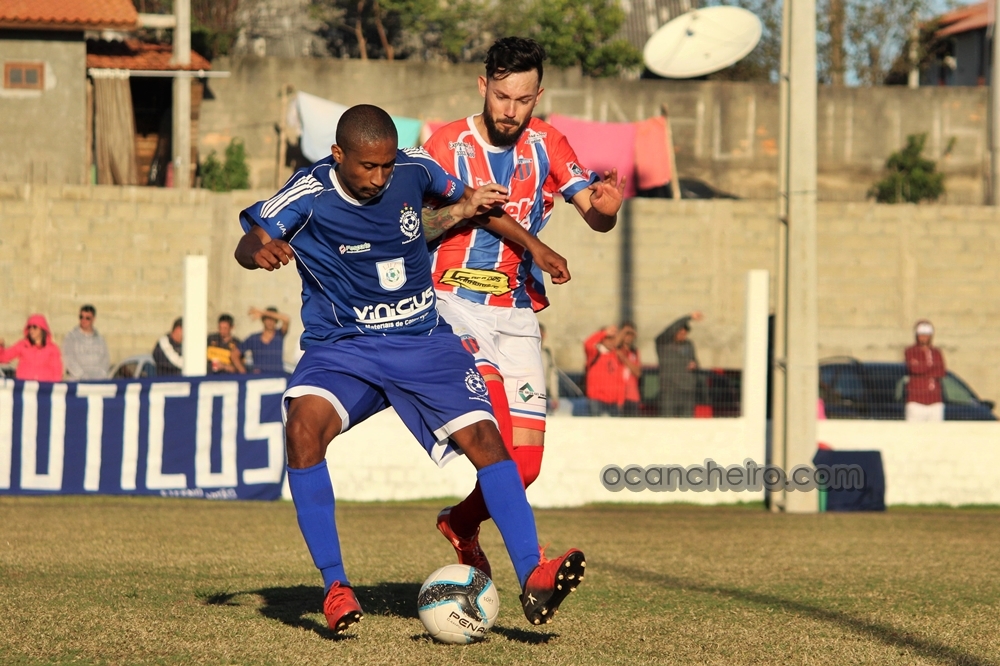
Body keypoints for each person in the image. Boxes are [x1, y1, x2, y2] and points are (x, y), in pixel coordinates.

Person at [233, 104, 585, 634]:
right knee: (302, 429)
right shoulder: (308, 192)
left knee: (488, 440)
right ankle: (335, 586)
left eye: (386, 165)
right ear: (337, 154)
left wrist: (534, 245)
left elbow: (472, 206)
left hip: (423, 340)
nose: (379, 178)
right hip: (345, 347)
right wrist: (259, 250)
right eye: (367, 167)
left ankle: (534, 574)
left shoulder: (415, 168)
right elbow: (250, 238)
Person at [422, 36, 624, 574]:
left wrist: (608, 210)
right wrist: (527, 241)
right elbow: (414, 225)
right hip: (451, 304)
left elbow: (593, 214)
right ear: (483, 85)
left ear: (539, 96)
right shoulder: (445, 145)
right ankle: (534, 568)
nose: (511, 110)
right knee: (496, 442)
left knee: (525, 467)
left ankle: (460, 523)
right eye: (502, 96)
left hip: (515, 312)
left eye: (523, 99)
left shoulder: (549, 144)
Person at [583, 323, 641, 417]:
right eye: (608, 338)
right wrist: (604, 333)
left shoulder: (616, 355)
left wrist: (620, 399)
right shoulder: (595, 353)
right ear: (602, 339)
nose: (611, 341)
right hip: (597, 400)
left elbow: (620, 380)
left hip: (613, 402)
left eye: (613, 338)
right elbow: (587, 344)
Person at [655, 312, 703, 417]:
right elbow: (669, 329)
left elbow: (696, 361)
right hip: (669, 391)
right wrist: (689, 317)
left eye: (685, 334)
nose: (682, 336)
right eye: (680, 333)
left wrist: (694, 365)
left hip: (687, 391)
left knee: (686, 423)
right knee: (668, 422)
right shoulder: (663, 344)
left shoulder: (688, 344)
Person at [0, 314, 63, 381]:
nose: (31, 330)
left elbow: (57, 372)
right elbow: (4, 357)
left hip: (44, 386)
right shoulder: (23, 345)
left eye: (35, 327)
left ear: (42, 329)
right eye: (29, 327)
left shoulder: (52, 349)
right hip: (24, 385)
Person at [904, 319, 946, 422]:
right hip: (916, 402)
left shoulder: (936, 352)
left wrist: (923, 369)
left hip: (935, 402)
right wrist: (931, 367)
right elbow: (914, 369)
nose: (924, 337)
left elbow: (941, 371)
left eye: (927, 335)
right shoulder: (910, 351)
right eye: (921, 335)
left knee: (936, 431)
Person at [234, 306, 290, 374]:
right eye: (267, 319)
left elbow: (286, 319)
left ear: (276, 321)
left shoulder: (279, 335)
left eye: (273, 319)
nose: (270, 322)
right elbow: (234, 354)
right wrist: (243, 371)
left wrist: (261, 312)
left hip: (277, 376)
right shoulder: (254, 338)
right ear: (263, 320)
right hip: (259, 377)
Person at [62, 304, 111, 380]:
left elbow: (105, 360)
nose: (83, 320)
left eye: (87, 318)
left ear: (94, 319)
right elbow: (69, 359)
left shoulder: (100, 339)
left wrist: (99, 376)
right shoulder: (70, 338)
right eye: (81, 317)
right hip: (77, 381)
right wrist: (82, 376)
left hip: (98, 381)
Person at [539, 323, 559, 414]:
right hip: (527, 393)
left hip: (544, 393)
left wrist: (554, 396)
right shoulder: (523, 353)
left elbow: (552, 376)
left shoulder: (547, 354)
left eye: (541, 334)